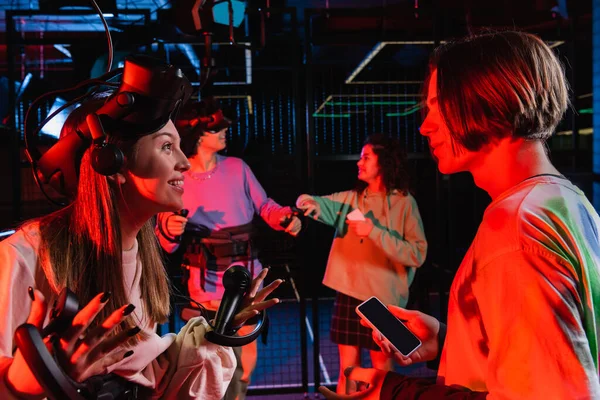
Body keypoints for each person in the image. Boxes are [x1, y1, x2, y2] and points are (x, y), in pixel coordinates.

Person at [319, 31, 600, 399]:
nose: (425, 125)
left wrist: (396, 393)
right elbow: (552, 359)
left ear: (489, 102)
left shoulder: (515, 227)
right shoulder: (564, 200)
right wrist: (450, 340)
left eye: (438, 105)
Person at [0, 56, 282, 399]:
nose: (182, 161)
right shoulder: (25, 255)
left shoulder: (139, 249)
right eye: (167, 146)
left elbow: (146, 375)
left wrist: (222, 329)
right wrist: (21, 384)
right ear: (112, 163)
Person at [155, 97, 301, 400]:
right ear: (197, 135)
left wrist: (285, 218)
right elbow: (164, 239)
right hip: (204, 280)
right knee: (210, 351)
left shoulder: (238, 168)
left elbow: (266, 206)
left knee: (245, 347)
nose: (225, 133)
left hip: (245, 274)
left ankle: (240, 396)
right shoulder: (177, 177)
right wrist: (169, 229)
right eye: (217, 129)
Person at [295, 133, 428, 394]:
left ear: (385, 163)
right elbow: (316, 202)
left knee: (383, 368)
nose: (359, 162)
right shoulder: (352, 199)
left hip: (383, 301)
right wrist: (305, 202)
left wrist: (374, 232)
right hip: (349, 294)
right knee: (348, 369)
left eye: (366, 157)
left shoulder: (404, 203)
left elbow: (417, 254)